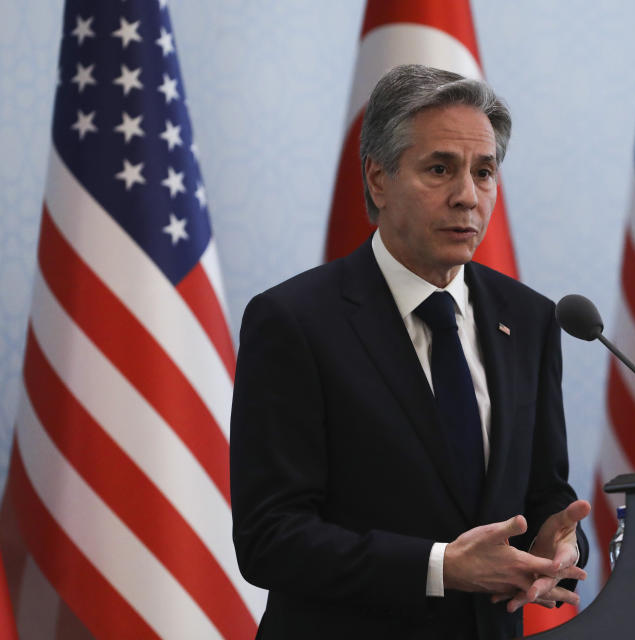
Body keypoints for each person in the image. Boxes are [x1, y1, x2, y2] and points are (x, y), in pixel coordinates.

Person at [230, 64, 590, 640]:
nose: (467, 197)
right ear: (378, 180)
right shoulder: (295, 321)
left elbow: (545, 488)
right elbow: (269, 537)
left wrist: (557, 537)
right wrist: (440, 568)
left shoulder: (528, 318)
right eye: (440, 169)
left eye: (484, 171)